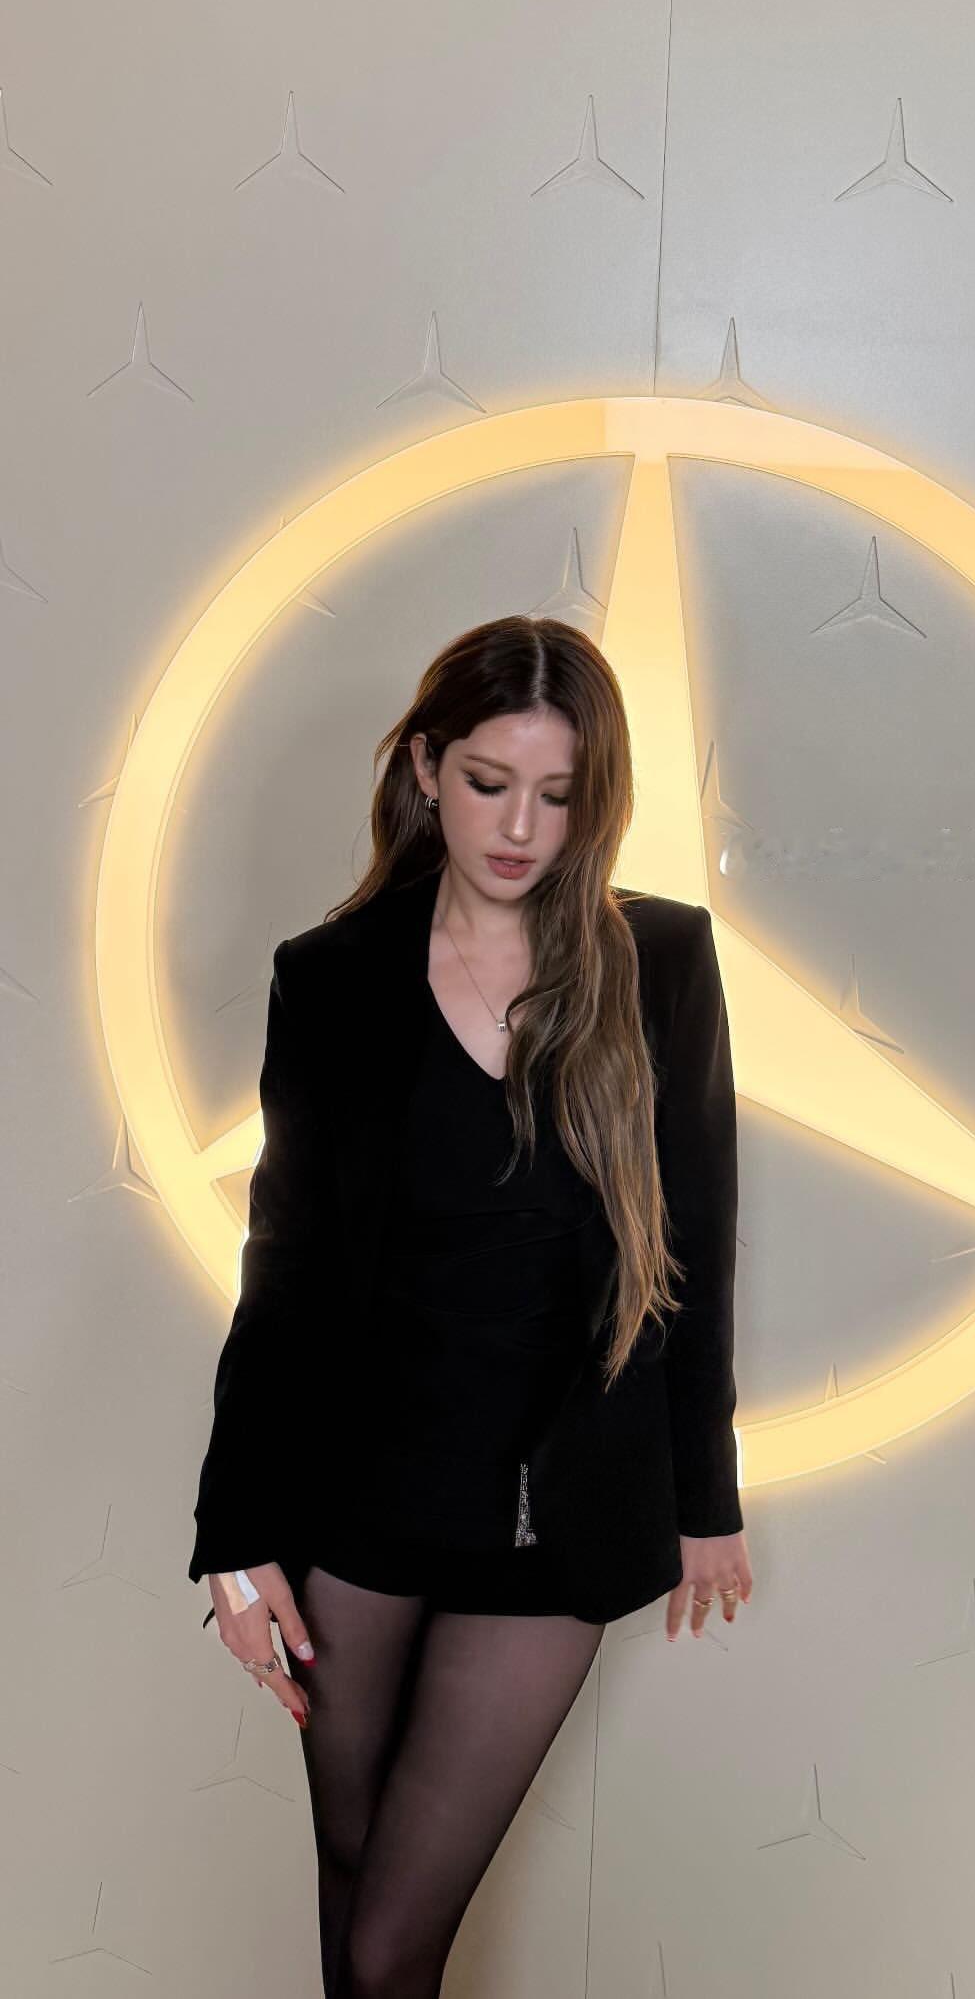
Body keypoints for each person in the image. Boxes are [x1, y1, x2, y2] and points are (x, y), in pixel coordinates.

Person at [188, 613, 753, 1998]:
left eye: (557, 795)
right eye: (490, 782)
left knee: (392, 1938)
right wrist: (235, 1542)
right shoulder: (331, 977)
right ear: (427, 766)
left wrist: (705, 1495)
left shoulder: (659, 961)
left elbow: (693, 1242)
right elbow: (283, 1271)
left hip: (557, 1521)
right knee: (352, 1886)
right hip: (359, 1501)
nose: (518, 828)